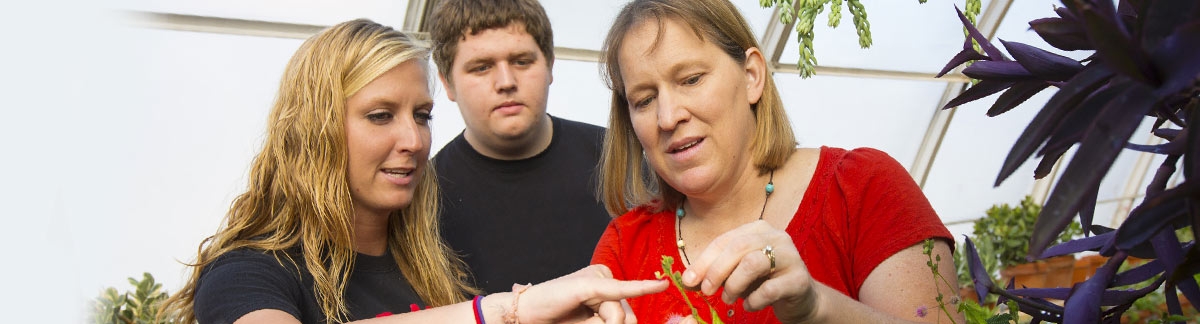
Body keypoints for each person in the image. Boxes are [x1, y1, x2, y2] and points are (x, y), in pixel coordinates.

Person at [158, 19, 666, 324]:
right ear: (314, 131)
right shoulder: (249, 272)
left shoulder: (434, 270)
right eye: (381, 116)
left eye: (422, 116)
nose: (415, 140)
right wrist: (505, 311)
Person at [590, 0, 965, 323]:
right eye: (643, 100)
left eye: (691, 79)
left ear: (751, 75)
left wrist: (817, 307)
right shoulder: (626, 245)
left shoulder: (861, 188)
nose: (668, 117)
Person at [427, 0, 614, 294]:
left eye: (522, 61)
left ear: (550, 64)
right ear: (447, 83)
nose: (506, 82)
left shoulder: (618, 159)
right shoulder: (423, 198)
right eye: (481, 67)